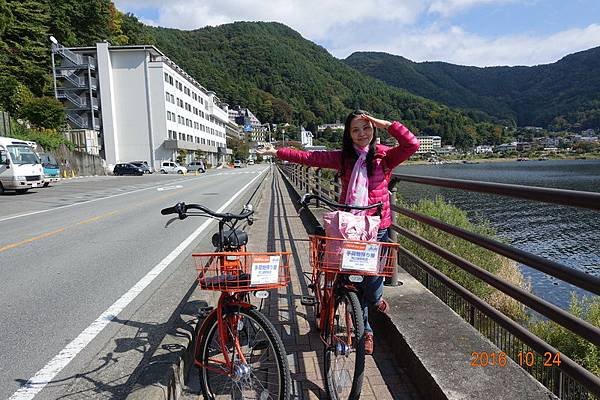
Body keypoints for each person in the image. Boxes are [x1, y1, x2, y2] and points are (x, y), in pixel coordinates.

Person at [258, 110, 420, 354]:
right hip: (349, 228)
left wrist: (385, 123)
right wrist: (276, 152)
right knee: (355, 283)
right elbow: (309, 158)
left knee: (373, 283)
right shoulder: (343, 158)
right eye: (355, 130)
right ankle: (366, 332)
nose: (362, 133)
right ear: (348, 134)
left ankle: (376, 301)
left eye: (366, 128)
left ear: (373, 129)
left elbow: (412, 143)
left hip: (376, 228)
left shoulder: (385, 157)